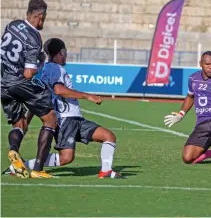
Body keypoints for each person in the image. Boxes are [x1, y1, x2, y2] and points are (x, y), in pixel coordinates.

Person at [7, 38, 124, 178]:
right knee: (66, 158)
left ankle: (106, 171)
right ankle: (22, 166)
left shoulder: (46, 71)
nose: (66, 55)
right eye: (65, 52)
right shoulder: (56, 69)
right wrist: (87, 96)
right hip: (65, 119)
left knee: (108, 136)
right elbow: (58, 89)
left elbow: (39, 100)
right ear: (61, 52)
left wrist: (28, 119)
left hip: (75, 118)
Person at [1, 0, 58, 178]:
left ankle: (13, 152)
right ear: (40, 17)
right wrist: (41, 62)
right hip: (18, 82)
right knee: (50, 119)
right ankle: (38, 169)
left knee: (20, 123)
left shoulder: (13, 25)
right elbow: (28, 73)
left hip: (2, 82)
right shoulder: (34, 38)